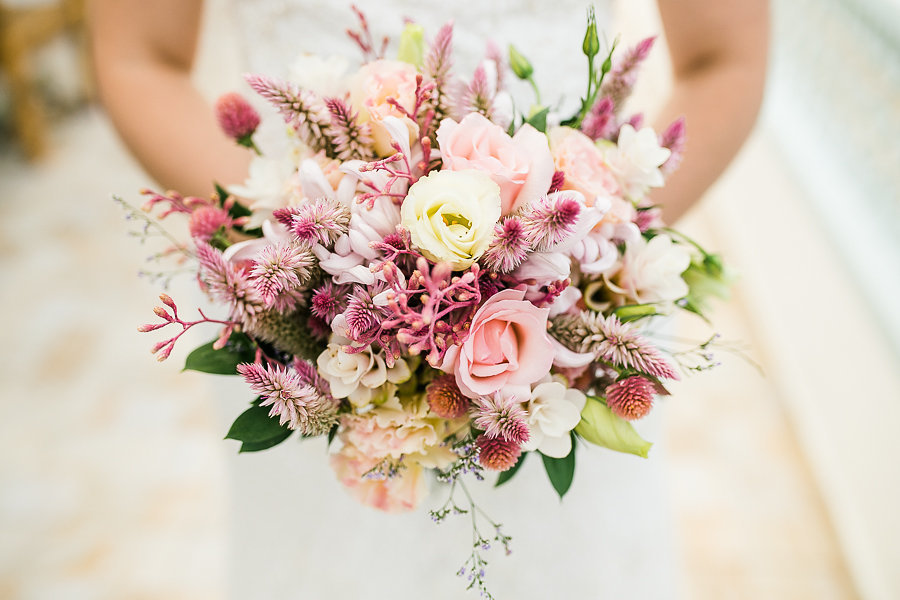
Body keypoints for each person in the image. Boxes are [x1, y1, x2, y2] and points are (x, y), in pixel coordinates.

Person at [88, 1, 768, 598]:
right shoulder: (306, 291)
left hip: (568, 339)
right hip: (313, 330)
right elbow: (138, 55)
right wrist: (308, 259)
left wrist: (572, 267)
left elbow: (725, 58)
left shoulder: (574, 292)